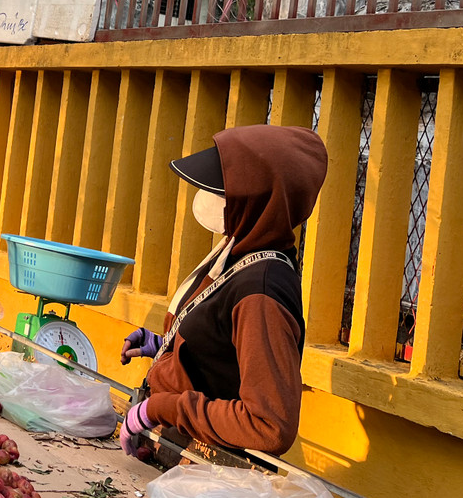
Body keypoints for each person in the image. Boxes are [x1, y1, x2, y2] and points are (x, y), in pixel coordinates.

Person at [118, 124, 328, 457]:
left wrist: (159, 409)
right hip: (177, 454)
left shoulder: (261, 292)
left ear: (259, 200)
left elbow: (269, 426)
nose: (207, 199)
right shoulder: (240, 251)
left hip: (209, 472)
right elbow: (227, 349)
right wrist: (166, 345)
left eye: (221, 191)